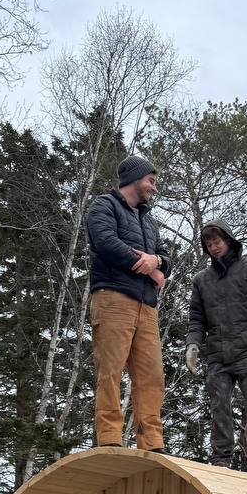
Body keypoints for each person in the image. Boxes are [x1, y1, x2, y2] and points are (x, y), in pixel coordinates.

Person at [85, 155, 172, 451]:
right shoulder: (103, 206)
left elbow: (165, 257)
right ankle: (109, 437)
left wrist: (156, 260)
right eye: (151, 181)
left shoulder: (150, 221)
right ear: (134, 177)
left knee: (152, 375)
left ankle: (151, 441)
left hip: (147, 307)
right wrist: (147, 264)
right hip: (113, 298)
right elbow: (106, 242)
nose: (154, 188)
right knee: (111, 370)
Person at [185, 221, 247, 475]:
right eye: (209, 244)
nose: (214, 247)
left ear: (228, 240)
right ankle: (221, 459)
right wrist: (193, 344)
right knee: (219, 406)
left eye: (217, 242)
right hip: (217, 353)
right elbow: (196, 318)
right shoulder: (201, 280)